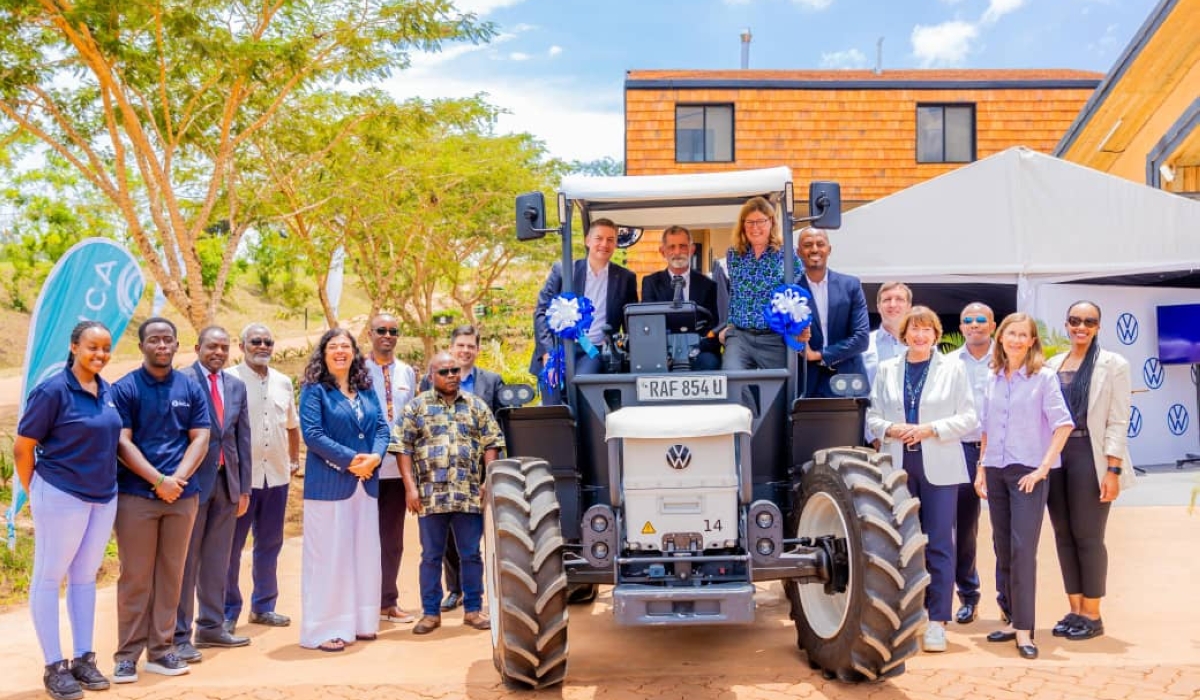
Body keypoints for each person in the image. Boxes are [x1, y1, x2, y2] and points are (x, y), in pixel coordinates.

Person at [15, 321, 122, 700]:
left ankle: (83, 658)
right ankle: (54, 666)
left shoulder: (107, 390)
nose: (100, 354)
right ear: (74, 346)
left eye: (106, 348)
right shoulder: (53, 390)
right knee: (49, 576)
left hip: (102, 497)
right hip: (61, 494)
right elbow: (23, 447)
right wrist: (39, 492)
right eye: (92, 347)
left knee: (84, 577)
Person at [866, 306, 976, 654]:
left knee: (940, 543)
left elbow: (969, 417)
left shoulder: (953, 368)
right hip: (899, 463)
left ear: (936, 334)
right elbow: (872, 416)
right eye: (914, 329)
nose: (920, 335)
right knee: (901, 544)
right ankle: (905, 615)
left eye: (927, 329)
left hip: (939, 464)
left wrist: (931, 429)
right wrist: (891, 429)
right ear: (904, 334)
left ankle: (937, 620)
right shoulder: (887, 369)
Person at [110, 317, 211, 682]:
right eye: (154, 340)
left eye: (168, 339)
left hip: (182, 497)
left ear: (177, 344)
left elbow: (200, 437)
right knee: (136, 576)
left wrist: (177, 480)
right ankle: (126, 655)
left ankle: (161, 650)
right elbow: (122, 441)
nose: (162, 346)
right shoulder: (124, 389)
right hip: (137, 496)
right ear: (142, 347)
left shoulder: (190, 386)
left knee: (172, 574)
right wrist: (158, 480)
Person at [976, 313, 1073, 660]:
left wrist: (1042, 469)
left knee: (1021, 550)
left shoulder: (1043, 378)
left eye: (1023, 335)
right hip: (996, 469)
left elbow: (1063, 425)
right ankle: (1009, 617)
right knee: (1001, 546)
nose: (1016, 340)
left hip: (1028, 473)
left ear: (1032, 341)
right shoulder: (992, 377)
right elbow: (986, 427)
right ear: (1000, 338)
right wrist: (981, 468)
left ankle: (1024, 629)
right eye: (1010, 334)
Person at [399, 351, 505, 635]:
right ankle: (430, 613)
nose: (451, 376)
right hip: (430, 497)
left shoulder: (476, 405)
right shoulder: (416, 407)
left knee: (471, 554)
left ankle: (473, 610)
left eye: (455, 371)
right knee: (431, 556)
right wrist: (410, 488)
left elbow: (492, 442)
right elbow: (403, 448)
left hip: (467, 494)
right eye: (444, 372)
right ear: (431, 376)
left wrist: (488, 479)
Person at [298, 328, 390, 652]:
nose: (340, 352)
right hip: (328, 486)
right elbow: (312, 434)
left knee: (363, 554)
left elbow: (381, 427)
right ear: (323, 354)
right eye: (333, 347)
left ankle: (362, 622)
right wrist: (353, 461)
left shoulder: (366, 387)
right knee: (328, 558)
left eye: (346, 346)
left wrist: (376, 456)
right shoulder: (314, 390)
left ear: (354, 352)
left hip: (365, 486)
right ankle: (324, 629)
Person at [1045, 301, 1132, 641]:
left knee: (1089, 536)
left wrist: (1112, 468)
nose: (1081, 327)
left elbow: (1118, 419)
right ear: (1066, 324)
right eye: (1075, 320)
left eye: (1089, 322)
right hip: (1057, 456)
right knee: (1063, 535)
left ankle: (1093, 615)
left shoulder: (1114, 365)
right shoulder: (1053, 364)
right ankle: (1075, 608)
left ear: (1098, 326)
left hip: (1090, 456)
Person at [174, 327, 252, 662]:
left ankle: (211, 626)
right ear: (197, 348)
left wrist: (244, 487)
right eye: (211, 346)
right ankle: (178, 634)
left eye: (224, 347)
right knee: (185, 562)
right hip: (191, 484)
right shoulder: (181, 381)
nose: (218, 352)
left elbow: (240, 438)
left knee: (218, 560)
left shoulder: (236, 385)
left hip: (227, 483)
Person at [418, 324, 506, 612]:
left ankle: (480, 597)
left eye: (471, 346)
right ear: (452, 348)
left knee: (475, 540)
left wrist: (492, 474)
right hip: (439, 477)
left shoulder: (492, 382)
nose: (466, 350)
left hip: (477, 474)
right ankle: (454, 590)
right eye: (461, 345)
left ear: (477, 351)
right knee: (443, 545)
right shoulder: (427, 381)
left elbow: (498, 430)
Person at [224, 324, 299, 632]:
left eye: (268, 341)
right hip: (241, 481)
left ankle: (264, 606)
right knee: (231, 547)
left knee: (270, 543)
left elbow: (292, 425)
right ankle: (227, 612)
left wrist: (293, 460)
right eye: (256, 341)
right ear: (242, 346)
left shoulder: (283, 382)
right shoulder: (229, 379)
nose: (263, 346)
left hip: (276, 477)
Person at [531, 218, 638, 395]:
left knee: (582, 392)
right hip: (559, 348)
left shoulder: (625, 278)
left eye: (610, 240)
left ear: (616, 244)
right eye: (599, 238)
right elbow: (541, 311)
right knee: (552, 400)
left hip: (593, 351)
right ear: (587, 240)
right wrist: (547, 353)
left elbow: (630, 322)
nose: (604, 244)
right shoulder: (563, 271)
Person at [362, 313, 418, 625]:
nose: (387, 335)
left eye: (393, 331)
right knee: (362, 537)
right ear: (370, 334)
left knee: (392, 539)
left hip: (397, 469)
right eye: (381, 330)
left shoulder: (407, 372)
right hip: (364, 467)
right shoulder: (357, 370)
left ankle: (388, 601)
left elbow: (412, 417)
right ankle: (362, 602)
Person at [948, 303, 996, 625]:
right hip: (961, 450)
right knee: (963, 529)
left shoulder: (1007, 359)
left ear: (992, 325)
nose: (974, 324)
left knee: (1005, 532)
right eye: (968, 320)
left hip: (1002, 453)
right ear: (961, 327)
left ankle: (1010, 602)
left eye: (981, 320)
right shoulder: (949, 364)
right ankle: (968, 596)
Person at [719, 197, 797, 371]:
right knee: (732, 379)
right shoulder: (734, 254)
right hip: (740, 335)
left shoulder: (786, 253)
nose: (755, 228)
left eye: (760, 221)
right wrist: (729, 326)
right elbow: (735, 294)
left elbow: (798, 293)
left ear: (771, 222)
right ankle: (746, 401)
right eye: (750, 222)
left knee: (778, 390)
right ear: (743, 225)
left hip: (774, 336)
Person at [795, 227, 870, 397]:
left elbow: (862, 339)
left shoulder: (851, 285)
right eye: (808, 245)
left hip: (848, 380)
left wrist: (819, 355)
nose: (814, 249)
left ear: (829, 249)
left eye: (820, 244)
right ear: (799, 252)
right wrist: (796, 339)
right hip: (806, 384)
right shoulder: (789, 292)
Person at [641, 225, 721, 371]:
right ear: (662, 251)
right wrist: (664, 351)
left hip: (699, 351)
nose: (677, 252)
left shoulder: (708, 285)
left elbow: (713, 326)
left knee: (710, 364)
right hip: (662, 352)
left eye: (683, 246)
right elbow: (648, 324)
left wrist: (695, 348)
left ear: (692, 249)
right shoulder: (651, 283)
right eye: (671, 247)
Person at [862, 282, 913, 389]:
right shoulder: (862, 344)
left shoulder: (924, 344)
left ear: (909, 307)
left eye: (899, 299)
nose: (893, 304)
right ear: (878, 307)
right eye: (887, 300)